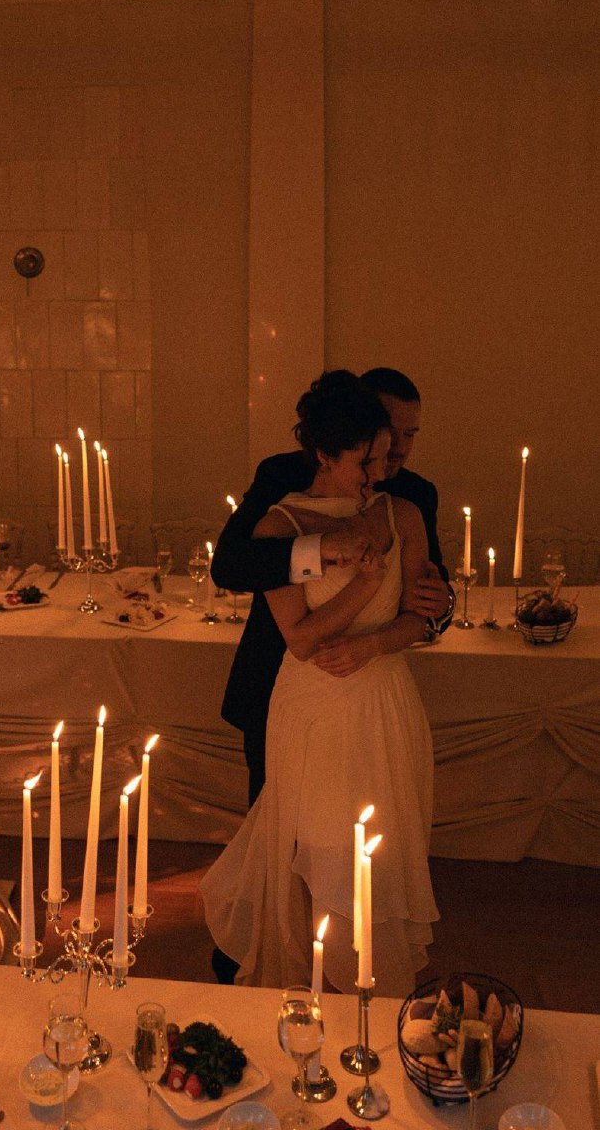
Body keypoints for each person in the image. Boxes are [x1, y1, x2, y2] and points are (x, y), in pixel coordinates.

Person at [201, 371, 439, 995]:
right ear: (331, 449)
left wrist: (400, 627)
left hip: (384, 704)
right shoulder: (280, 498)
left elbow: (424, 608)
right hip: (302, 703)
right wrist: (351, 570)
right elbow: (241, 575)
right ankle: (284, 984)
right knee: (299, 847)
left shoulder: (407, 504)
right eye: (380, 447)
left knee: (379, 852)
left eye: (405, 439)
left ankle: (368, 993)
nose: (392, 459)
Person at [212, 367, 452, 810]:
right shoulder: (282, 474)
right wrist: (319, 548)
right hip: (281, 679)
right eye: (390, 430)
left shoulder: (414, 496)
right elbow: (229, 564)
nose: (398, 449)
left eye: (410, 434)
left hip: (377, 695)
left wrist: (443, 602)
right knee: (283, 821)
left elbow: (429, 591)